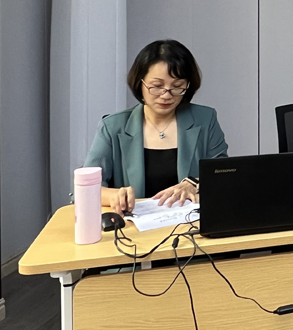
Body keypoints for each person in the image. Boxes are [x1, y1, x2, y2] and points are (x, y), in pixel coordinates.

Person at [84, 39, 228, 216]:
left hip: (189, 224)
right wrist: (114, 196)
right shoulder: (114, 127)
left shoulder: (204, 119)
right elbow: (85, 189)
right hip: (134, 226)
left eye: (177, 87)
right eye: (157, 86)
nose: (166, 95)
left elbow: (224, 175)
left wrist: (194, 183)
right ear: (140, 83)